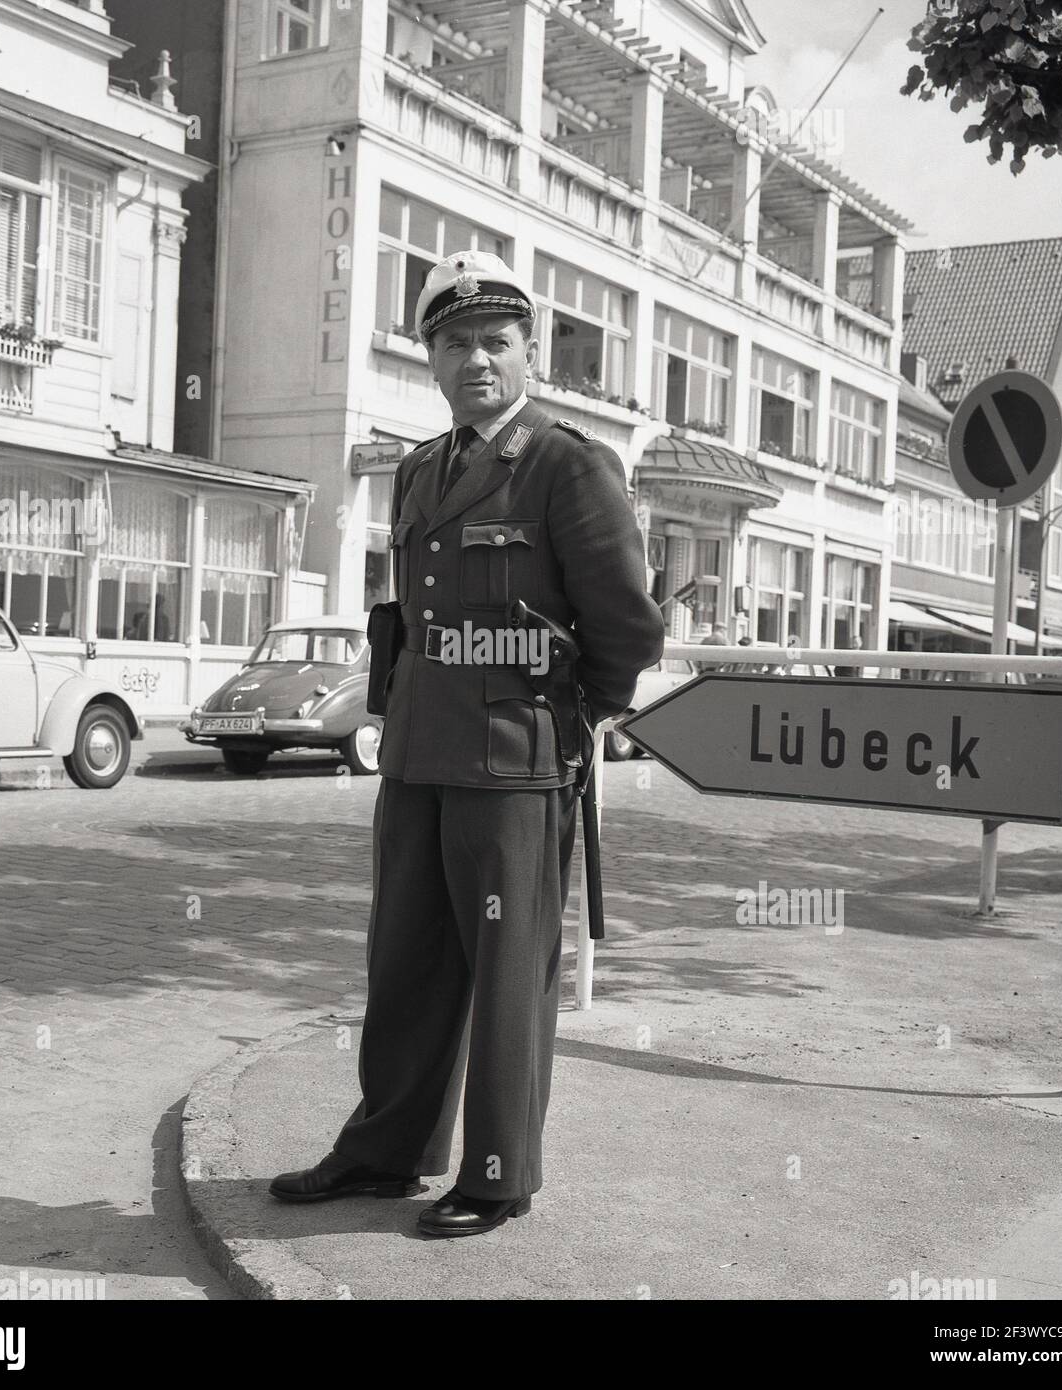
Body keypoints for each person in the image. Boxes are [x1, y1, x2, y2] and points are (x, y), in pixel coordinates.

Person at [270, 250, 665, 1236]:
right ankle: (384, 1150)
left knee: (505, 973)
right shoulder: (416, 467)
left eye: (494, 341)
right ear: (429, 357)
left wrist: (578, 721)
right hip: (417, 751)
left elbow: (625, 623)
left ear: (529, 350)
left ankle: (496, 1173)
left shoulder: (566, 464)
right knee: (403, 963)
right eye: (453, 343)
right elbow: (410, 616)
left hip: (515, 752)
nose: (474, 360)